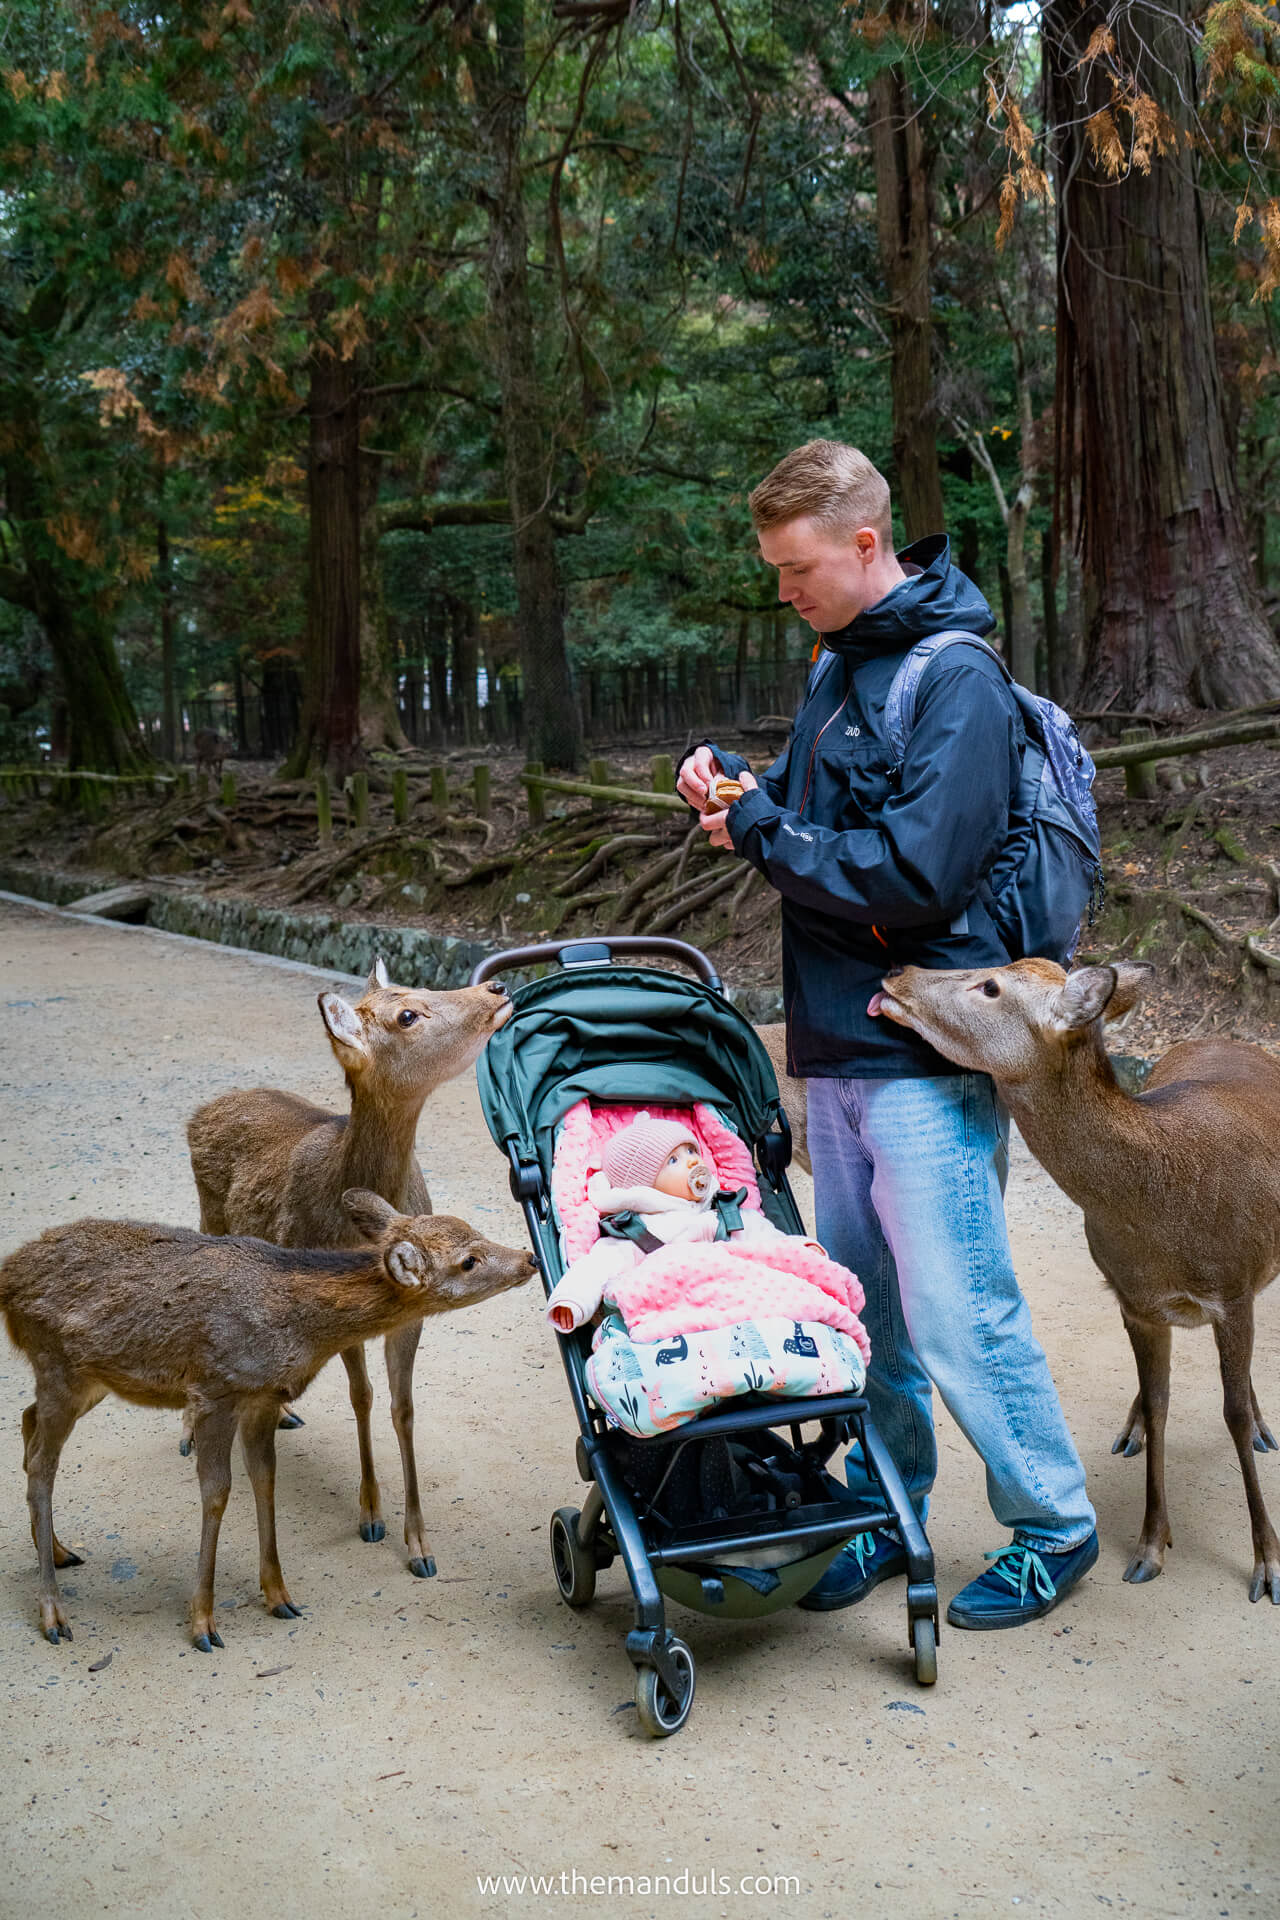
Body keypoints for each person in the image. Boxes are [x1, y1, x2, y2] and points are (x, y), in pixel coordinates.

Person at [676, 438, 1098, 1629]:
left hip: (918, 1055)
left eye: (796, 567)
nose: (782, 590)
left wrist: (764, 828)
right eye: (771, 569)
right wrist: (740, 796)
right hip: (834, 1042)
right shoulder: (834, 667)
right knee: (864, 1313)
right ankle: (885, 1510)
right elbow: (820, 832)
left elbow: (916, 873)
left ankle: (1052, 1525)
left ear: (866, 546)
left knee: (961, 1308)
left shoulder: (950, 676)